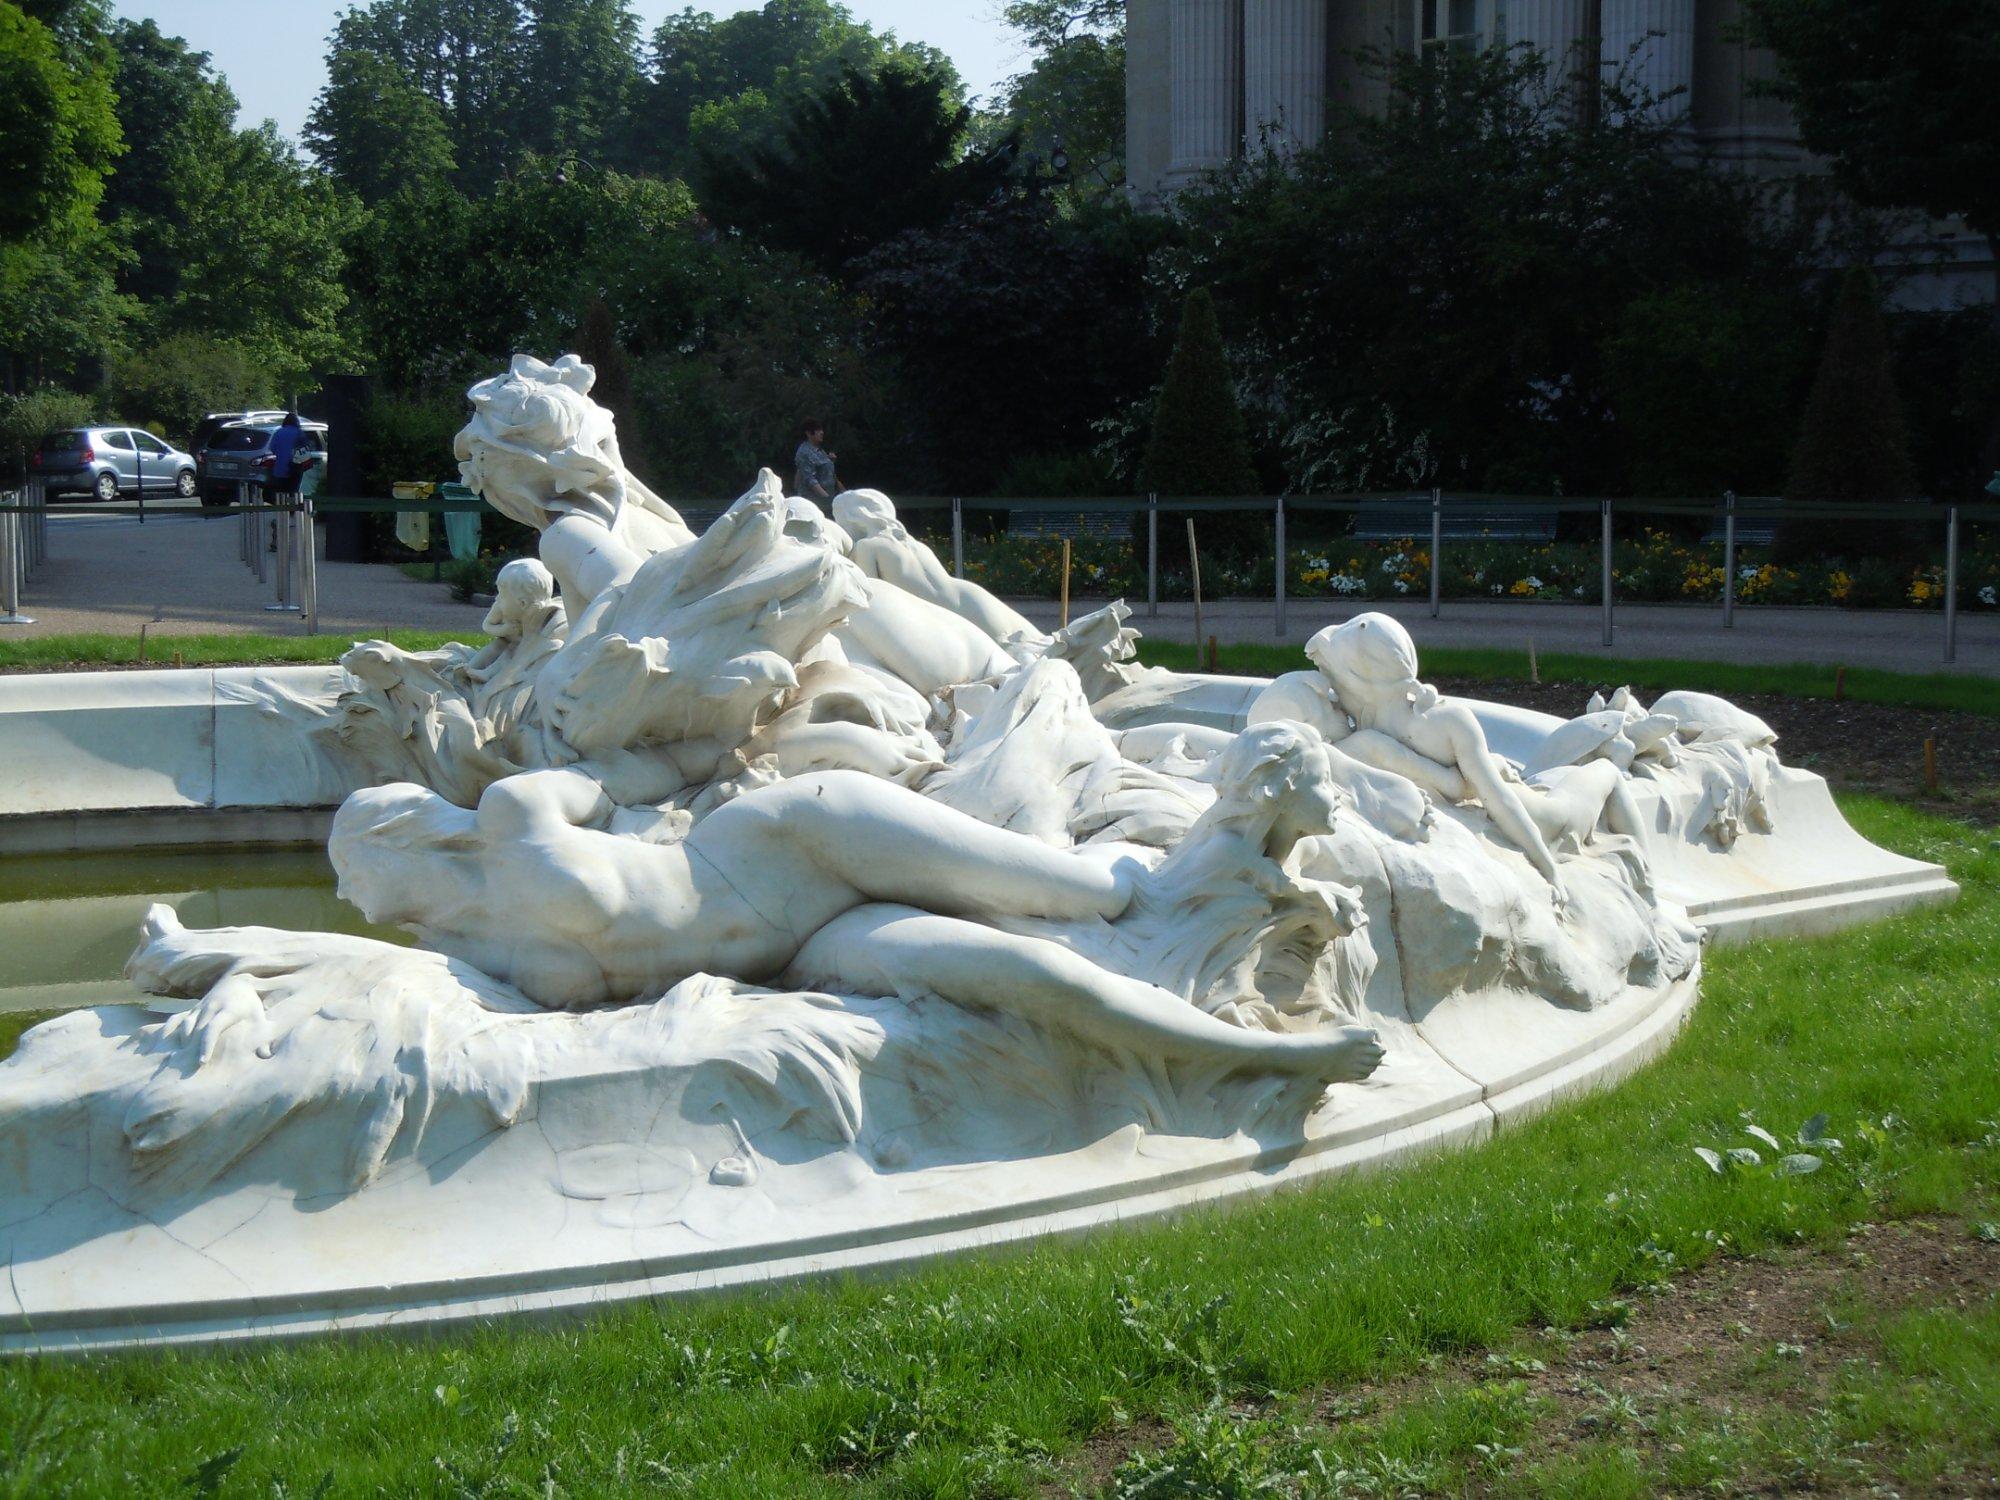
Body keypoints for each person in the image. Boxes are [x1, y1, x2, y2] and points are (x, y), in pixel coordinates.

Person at [792, 419, 839, 502]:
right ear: (808, 433)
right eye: (818, 430)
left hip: (828, 497)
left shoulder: (820, 450)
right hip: (814, 501)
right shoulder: (804, 452)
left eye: (821, 430)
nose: (822, 432)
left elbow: (829, 475)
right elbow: (811, 481)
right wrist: (829, 500)